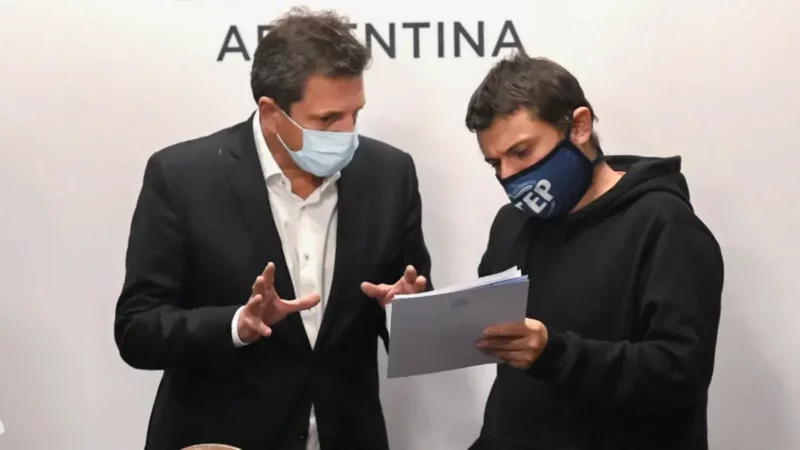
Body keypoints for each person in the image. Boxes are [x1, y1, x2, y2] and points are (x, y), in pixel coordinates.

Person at [114, 7, 431, 450]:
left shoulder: (390, 174)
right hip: (221, 442)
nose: (347, 134)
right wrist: (236, 325)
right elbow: (137, 330)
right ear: (270, 113)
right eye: (327, 120)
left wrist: (407, 313)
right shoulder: (183, 177)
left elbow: (411, 304)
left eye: (355, 114)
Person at [465, 54, 724, 450]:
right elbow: (497, 339)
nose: (508, 176)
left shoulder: (665, 225)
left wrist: (554, 353)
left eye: (522, 152)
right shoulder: (511, 224)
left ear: (579, 126)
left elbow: (679, 372)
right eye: (494, 163)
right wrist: (422, 309)